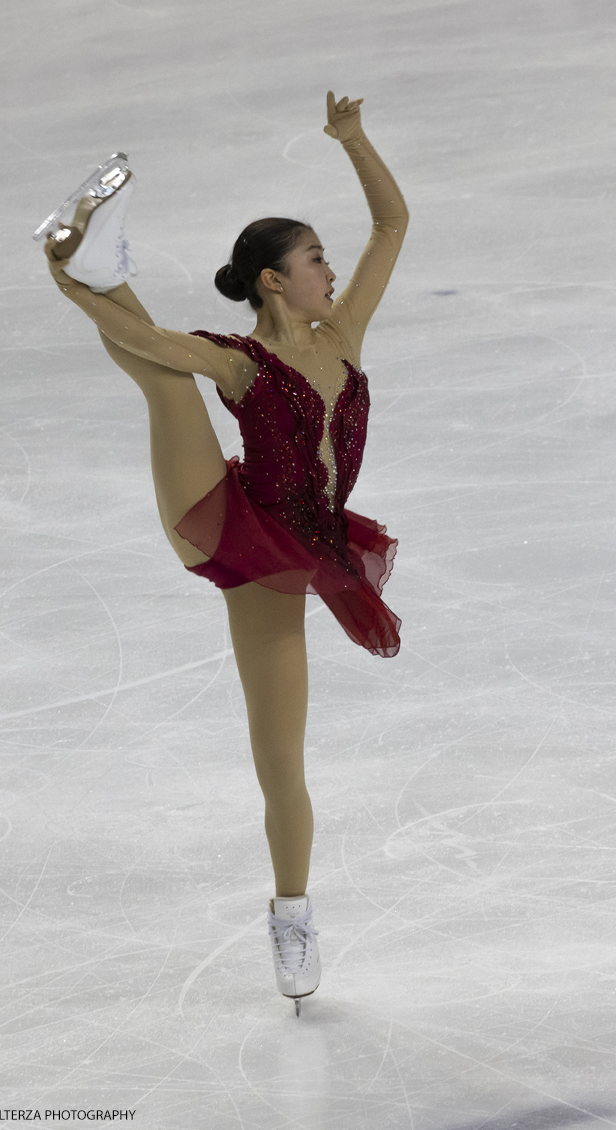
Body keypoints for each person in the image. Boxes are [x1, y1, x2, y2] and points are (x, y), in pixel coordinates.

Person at [39, 92, 409, 1013]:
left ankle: (291, 907)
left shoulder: (344, 332)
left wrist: (353, 140)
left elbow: (392, 221)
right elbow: (146, 337)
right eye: (314, 260)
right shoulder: (243, 361)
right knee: (166, 380)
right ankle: (88, 259)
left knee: (282, 758)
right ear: (273, 282)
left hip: (307, 548)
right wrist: (62, 284)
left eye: (327, 257)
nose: (330, 269)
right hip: (228, 528)